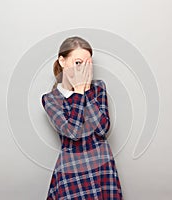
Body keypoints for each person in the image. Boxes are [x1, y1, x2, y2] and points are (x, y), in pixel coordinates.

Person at [41, 36, 123, 199]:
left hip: (102, 165)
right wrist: (78, 90)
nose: (83, 69)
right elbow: (73, 133)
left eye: (88, 64)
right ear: (62, 61)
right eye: (78, 63)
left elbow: (102, 129)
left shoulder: (98, 88)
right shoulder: (51, 99)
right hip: (73, 168)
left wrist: (85, 91)